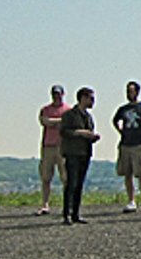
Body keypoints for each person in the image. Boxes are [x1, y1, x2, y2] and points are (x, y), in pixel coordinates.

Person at [112, 81, 141, 213]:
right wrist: (122, 132)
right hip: (125, 144)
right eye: (127, 91)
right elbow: (115, 120)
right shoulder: (123, 109)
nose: (129, 93)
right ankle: (131, 200)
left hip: (138, 144)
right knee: (127, 173)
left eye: (131, 91)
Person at [58, 86, 99, 224]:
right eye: (91, 98)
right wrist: (79, 133)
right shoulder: (69, 115)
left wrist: (92, 137)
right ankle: (67, 214)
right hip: (72, 153)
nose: (93, 101)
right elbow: (64, 132)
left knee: (79, 184)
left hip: (85, 153)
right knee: (71, 183)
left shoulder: (88, 117)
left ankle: (76, 213)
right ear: (83, 98)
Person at [37, 85, 69, 214]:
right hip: (48, 146)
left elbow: (65, 123)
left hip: (63, 146)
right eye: (54, 94)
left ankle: (67, 204)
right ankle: (45, 204)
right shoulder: (45, 109)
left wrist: (52, 122)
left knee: (66, 177)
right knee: (46, 177)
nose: (56, 96)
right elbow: (45, 121)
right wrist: (57, 122)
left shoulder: (68, 109)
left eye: (58, 94)